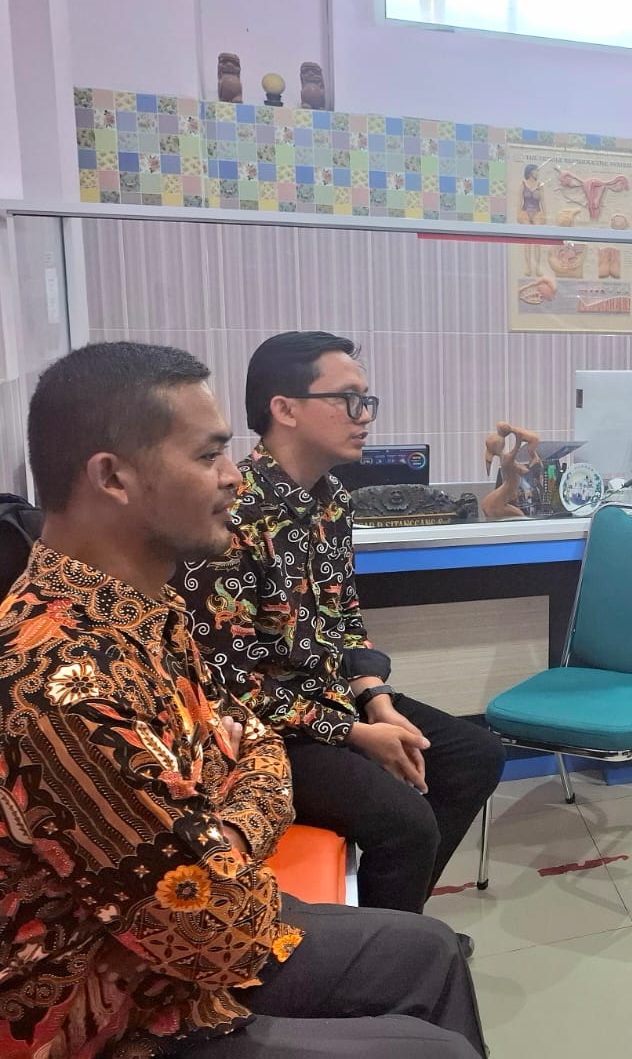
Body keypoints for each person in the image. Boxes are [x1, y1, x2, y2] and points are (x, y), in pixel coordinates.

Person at [0, 342, 484, 1057]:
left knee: (431, 950)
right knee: (431, 1044)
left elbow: (247, 734)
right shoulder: (62, 680)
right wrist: (249, 804)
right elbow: (217, 930)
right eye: (208, 456)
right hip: (120, 1004)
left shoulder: (141, 606)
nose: (232, 476)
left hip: (189, 933)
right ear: (113, 477)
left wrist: (235, 813)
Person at [180, 332, 504, 915]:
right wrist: (354, 734)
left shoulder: (332, 500)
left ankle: (399, 926)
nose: (365, 416)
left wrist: (377, 700)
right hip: (266, 732)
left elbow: (345, 619)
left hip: (333, 699)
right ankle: (385, 947)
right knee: (407, 823)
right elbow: (228, 687)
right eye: (349, 399)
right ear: (285, 409)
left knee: (473, 756)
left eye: (367, 401)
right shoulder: (230, 514)